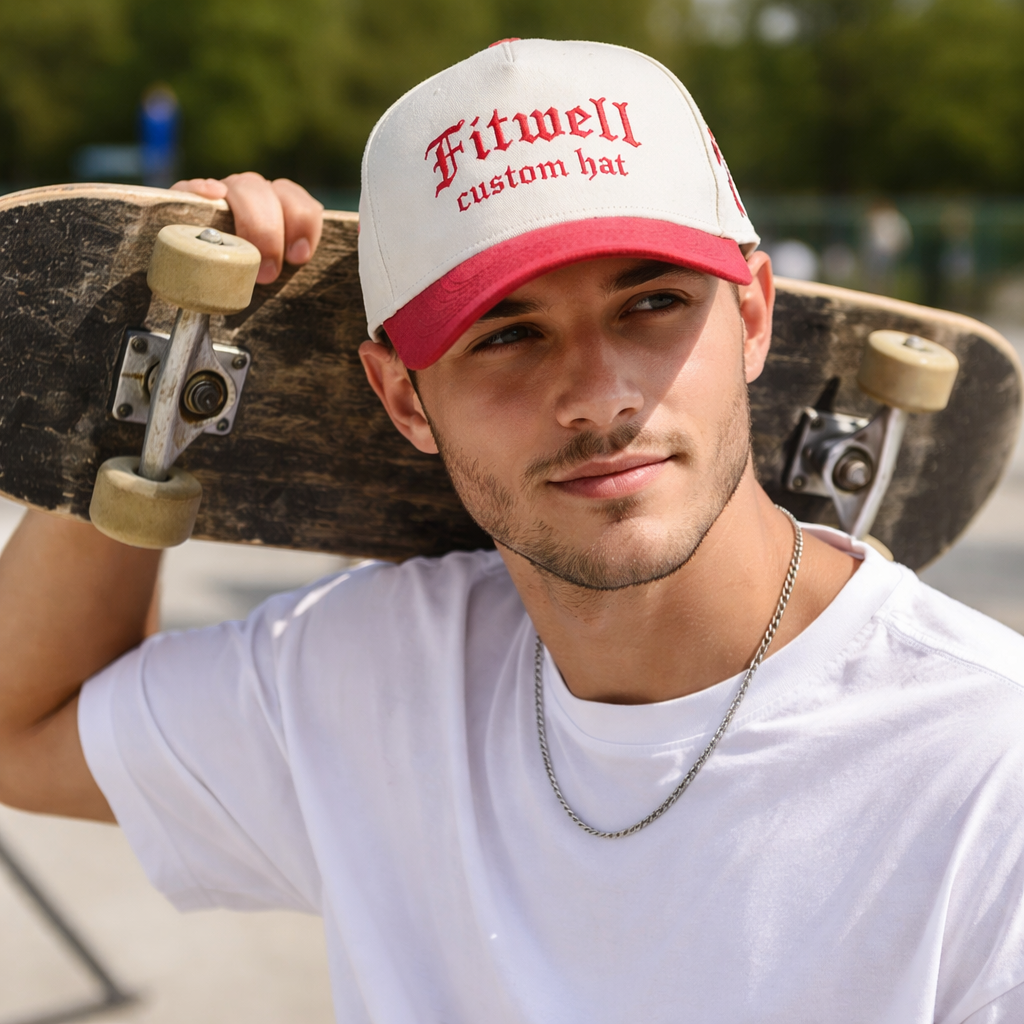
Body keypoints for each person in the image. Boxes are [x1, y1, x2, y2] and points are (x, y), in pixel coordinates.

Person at [1, 38, 1023, 1024]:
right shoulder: (369, 683)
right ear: (403, 395)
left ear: (752, 315)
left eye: (653, 302)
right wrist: (159, 356)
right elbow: (23, 731)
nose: (597, 394)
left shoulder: (984, 769)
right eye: (508, 334)